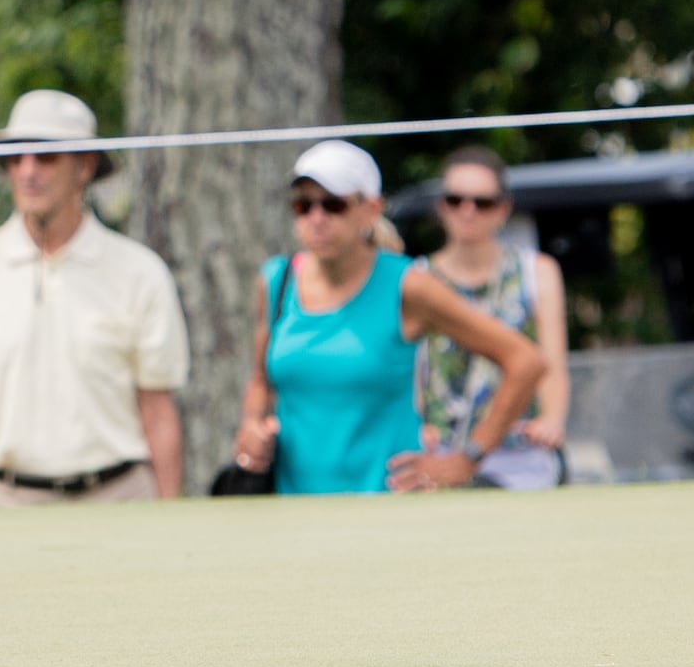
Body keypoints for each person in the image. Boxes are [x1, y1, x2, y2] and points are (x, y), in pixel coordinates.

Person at [0, 89, 190, 506]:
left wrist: (169, 512)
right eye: (15, 157)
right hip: (1, 501)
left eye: (46, 156)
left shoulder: (140, 272)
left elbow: (158, 409)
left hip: (121, 496)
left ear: (85, 166)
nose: (27, 171)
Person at [233, 141, 552, 496]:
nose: (317, 218)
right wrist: (251, 427)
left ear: (371, 209)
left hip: (387, 509)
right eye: (303, 205)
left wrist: (465, 460)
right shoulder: (277, 280)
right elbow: (261, 379)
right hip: (291, 507)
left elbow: (526, 362)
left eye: (334, 204)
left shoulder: (407, 286)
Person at [410, 146, 572, 489]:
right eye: (456, 200)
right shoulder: (417, 278)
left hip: (518, 457)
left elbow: (551, 364)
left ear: (503, 209)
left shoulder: (535, 272)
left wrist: (551, 419)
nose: (468, 211)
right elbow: (412, 365)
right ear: (441, 207)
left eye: (482, 202)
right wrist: (415, 426)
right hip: (440, 456)